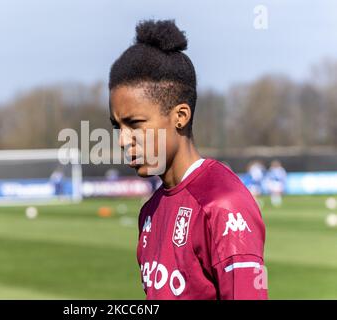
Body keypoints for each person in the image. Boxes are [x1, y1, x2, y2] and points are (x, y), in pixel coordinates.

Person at [108, 20, 267, 299]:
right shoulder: (150, 211)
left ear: (180, 116)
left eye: (135, 124)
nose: (123, 140)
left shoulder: (223, 204)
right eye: (117, 127)